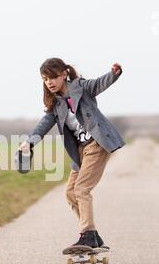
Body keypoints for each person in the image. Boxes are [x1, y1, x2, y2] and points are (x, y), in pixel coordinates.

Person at [18, 58, 125, 249]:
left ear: (64, 74)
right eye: (45, 79)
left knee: (82, 189)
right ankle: (91, 234)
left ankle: (86, 234)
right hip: (80, 151)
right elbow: (43, 125)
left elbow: (99, 84)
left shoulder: (80, 87)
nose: (49, 82)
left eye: (53, 77)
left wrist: (114, 74)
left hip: (96, 143)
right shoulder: (56, 104)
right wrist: (29, 142)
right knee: (70, 192)